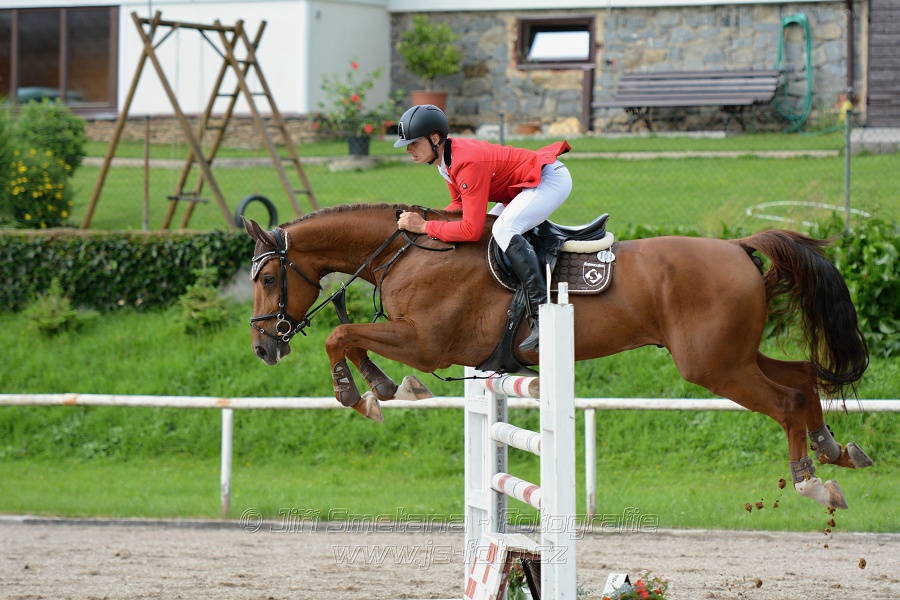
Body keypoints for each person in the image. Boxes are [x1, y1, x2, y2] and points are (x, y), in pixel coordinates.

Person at [394, 104, 572, 353]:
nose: (408, 149)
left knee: (503, 230)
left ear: (434, 139)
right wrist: (428, 224)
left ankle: (543, 313)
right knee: (493, 230)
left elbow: (470, 230)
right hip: (525, 186)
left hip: (548, 181)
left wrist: (425, 226)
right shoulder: (445, 160)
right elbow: (458, 205)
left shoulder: (467, 162)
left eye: (413, 143)